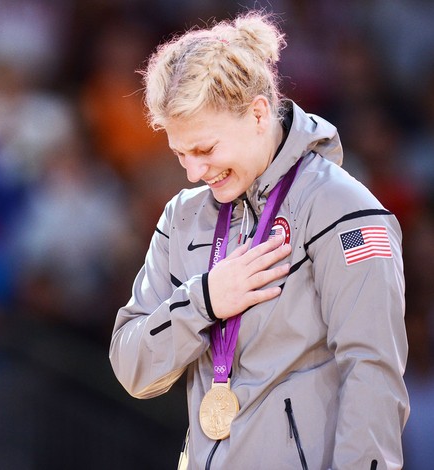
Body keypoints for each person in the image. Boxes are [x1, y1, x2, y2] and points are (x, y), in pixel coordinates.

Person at [109, 11, 409, 470]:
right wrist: (205, 300)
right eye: (180, 154)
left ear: (257, 112)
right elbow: (132, 368)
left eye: (205, 150)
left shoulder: (342, 209)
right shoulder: (183, 216)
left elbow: (373, 374)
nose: (192, 172)